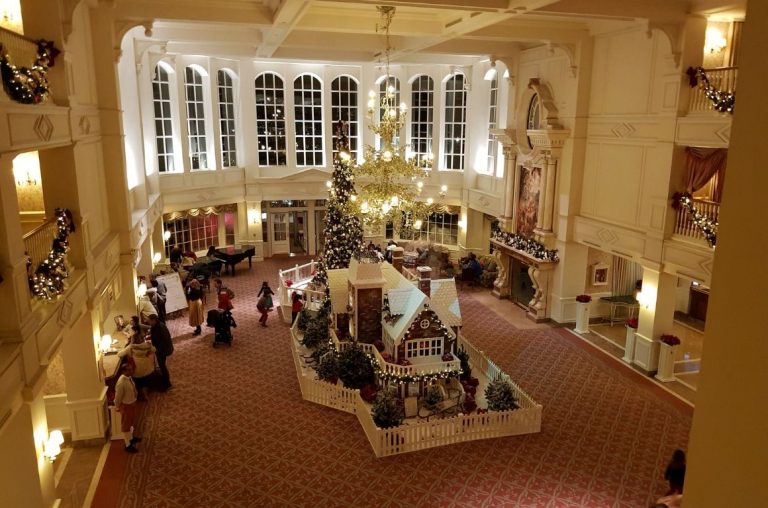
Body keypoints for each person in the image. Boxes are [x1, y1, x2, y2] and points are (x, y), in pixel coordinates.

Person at [117, 329, 156, 399]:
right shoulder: (147, 345)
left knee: (138, 380)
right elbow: (154, 350)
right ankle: (145, 390)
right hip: (147, 367)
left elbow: (120, 354)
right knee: (145, 378)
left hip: (136, 368)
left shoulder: (131, 347)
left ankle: (140, 391)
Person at [114, 361, 141, 453]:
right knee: (126, 425)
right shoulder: (121, 383)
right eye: (129, 370)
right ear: (124, 371)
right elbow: (118, 397)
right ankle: (127, 444)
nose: (132, 371)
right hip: (126, 406)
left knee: (131, 422)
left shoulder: (128, 378)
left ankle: (131, 438)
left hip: (132, 403)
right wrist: (117, 406)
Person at [148, 314, 173, 390]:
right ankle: (165, 382)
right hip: (160, 349)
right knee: (162, 365)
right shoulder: (156, 326)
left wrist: (156, 349)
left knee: (162, 366)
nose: (148, 322)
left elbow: (164, 341)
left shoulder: (161, 327)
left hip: (163, 350)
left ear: (154, 320)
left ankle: (167, 384)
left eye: (149, 320)